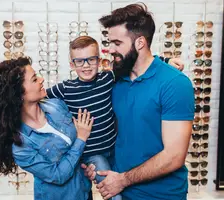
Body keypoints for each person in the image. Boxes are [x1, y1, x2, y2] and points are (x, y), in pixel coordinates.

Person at [46, 36, 184, 200]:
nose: (86, 65)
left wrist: (166, 61)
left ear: (99, 60)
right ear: (72, 65)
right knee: (113, 193)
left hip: (114, 149)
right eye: (80, 61)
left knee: (127, 183)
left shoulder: (107, 79)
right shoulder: (65, 89)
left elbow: (138, 63)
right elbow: (38, 97)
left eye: (91, 59)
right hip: (93, 155)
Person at [83, 3, 194, 200]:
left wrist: (123, 180)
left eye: (117, 43)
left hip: (161, 195)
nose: (109, 49)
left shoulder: (174, 84)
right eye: (109, 42)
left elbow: (175, 156)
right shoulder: (116, 80)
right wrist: (98, 167)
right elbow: (118, 136)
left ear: (140, 42)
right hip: (121, 192)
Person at [0, 57, 94, 200]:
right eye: (34, 79)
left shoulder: (57, 105)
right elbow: (58, 175)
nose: (41, 79)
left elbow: (76, 154)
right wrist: (81, 138)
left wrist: (89, 167)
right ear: (19, 94)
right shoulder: (20, 145)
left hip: (84, 192)